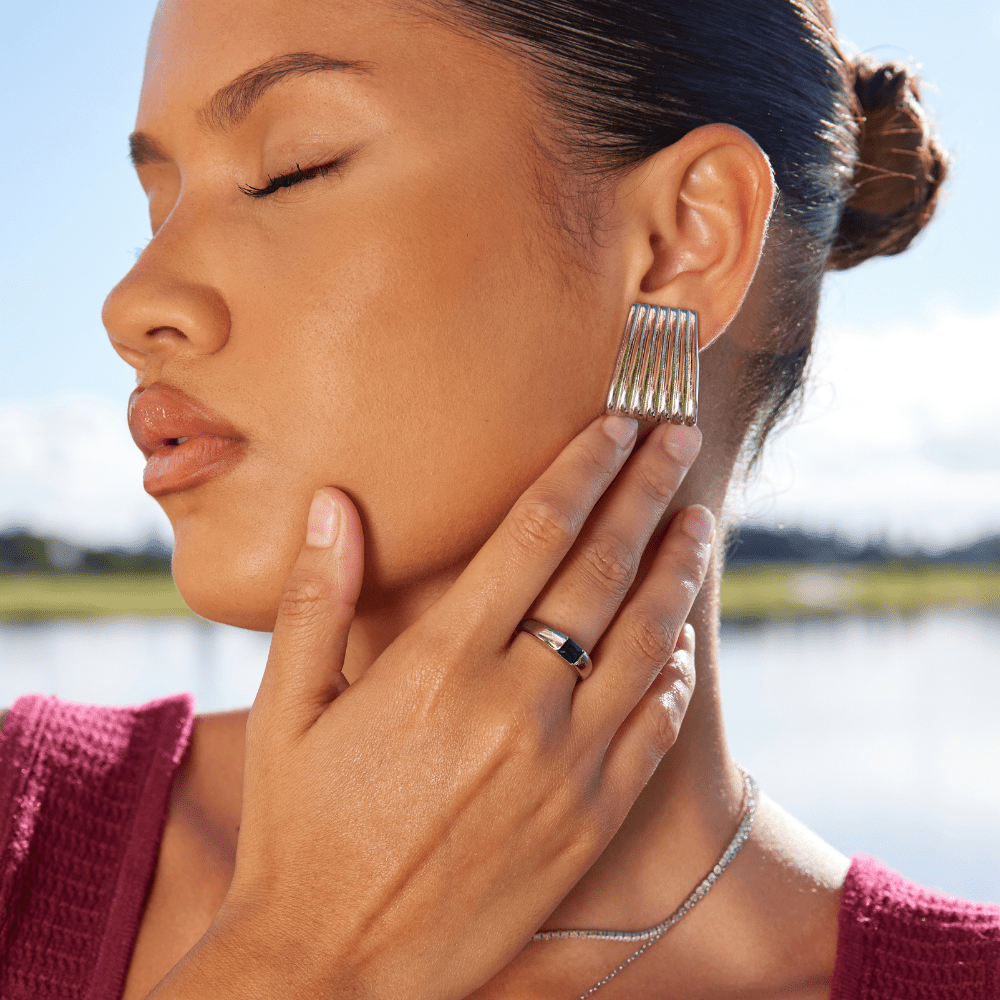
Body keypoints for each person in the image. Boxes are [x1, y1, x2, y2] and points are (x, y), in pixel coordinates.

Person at [1, 0, 996, 998]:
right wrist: (304, 953)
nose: (131, 303)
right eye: (157, 206)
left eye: (287, 169)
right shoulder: (23, 825)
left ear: (680, 242)